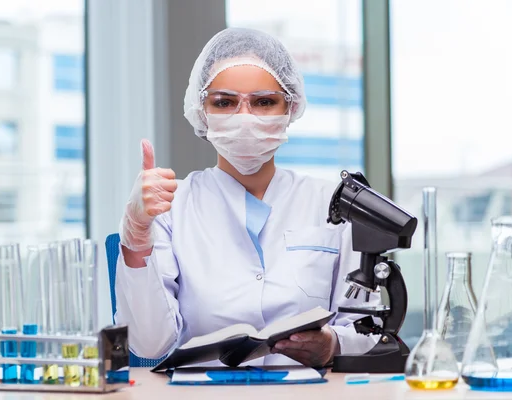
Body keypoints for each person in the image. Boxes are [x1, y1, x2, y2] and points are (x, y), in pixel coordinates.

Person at [114, 27, 379, 368]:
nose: (244, 118)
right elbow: (149, 344)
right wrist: (137, 235)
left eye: (264, 102)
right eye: (224, 102)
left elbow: (368, 331)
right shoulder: (171, 207)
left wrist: (333, 345)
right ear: (201, 110)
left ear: (291, 107)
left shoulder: (332, 203)